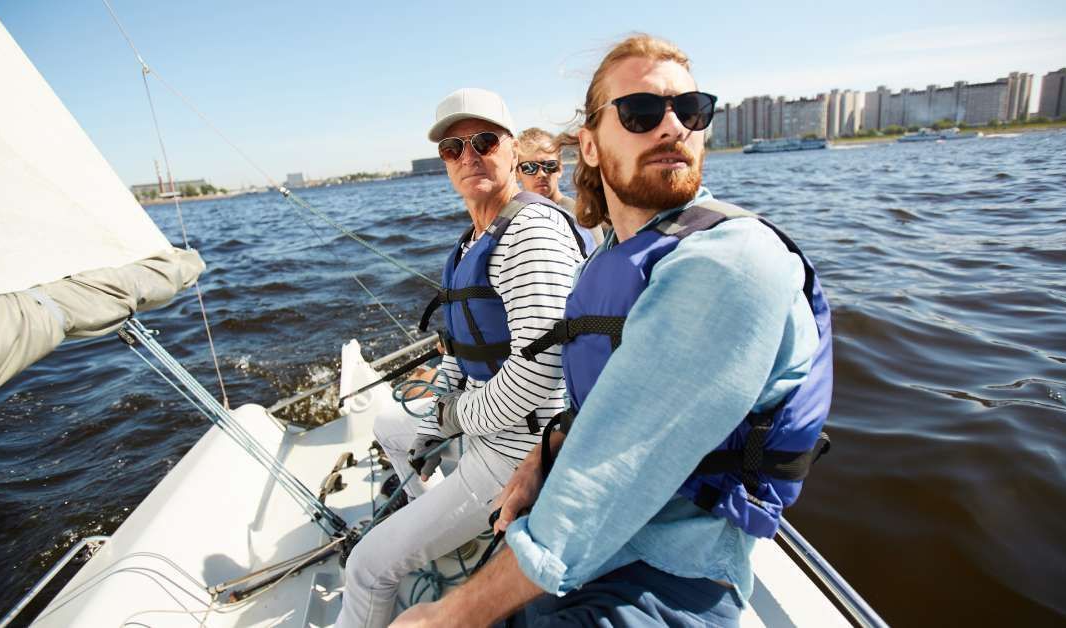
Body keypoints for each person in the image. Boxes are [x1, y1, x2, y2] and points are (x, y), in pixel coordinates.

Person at [392, 34, 831, 628]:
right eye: (641, 112)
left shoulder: (729, 263)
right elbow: (602, 401)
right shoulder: (609, 262)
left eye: (691, 110)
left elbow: (605, 483)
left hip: (672, 580)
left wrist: (453, 614)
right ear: (592, 147)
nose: (671, 127)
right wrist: (543, 456)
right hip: (594, 555)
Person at [337, 87, 585, 628]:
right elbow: (470, 345)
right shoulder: (476, 238)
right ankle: (428, 508)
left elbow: (539, 375)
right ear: (445, 161)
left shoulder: (531, 233)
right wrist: (445, 386)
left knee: (366, 568)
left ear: (512, 150)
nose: (468, 155)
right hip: (481, 428)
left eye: (483, 140)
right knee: (389, 426)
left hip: (516, 454)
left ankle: (446, 519)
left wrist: (454, 415)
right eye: (453, 147)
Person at [516, 128, 603, 249]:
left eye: (550, 166)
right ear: (517, 173)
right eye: (530, 167)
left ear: (560, 169)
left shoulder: (581, 217)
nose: (541, 174)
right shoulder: (514, 220)